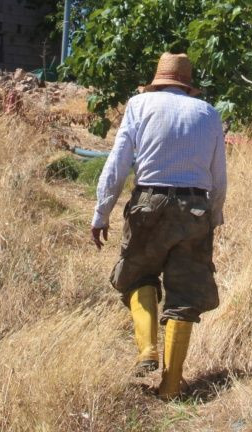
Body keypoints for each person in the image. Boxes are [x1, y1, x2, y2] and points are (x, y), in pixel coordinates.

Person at [90, 52, 227, 400]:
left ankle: (147, 350)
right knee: (185, 295)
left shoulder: (140, 104)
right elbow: (218, 176)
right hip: (195, 207)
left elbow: (118, 162)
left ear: (159, 80)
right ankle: (169, 387)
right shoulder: (209, 114)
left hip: (149, 202)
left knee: (137, 275)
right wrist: (214, 216)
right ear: (187, 84)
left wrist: (102, 212)